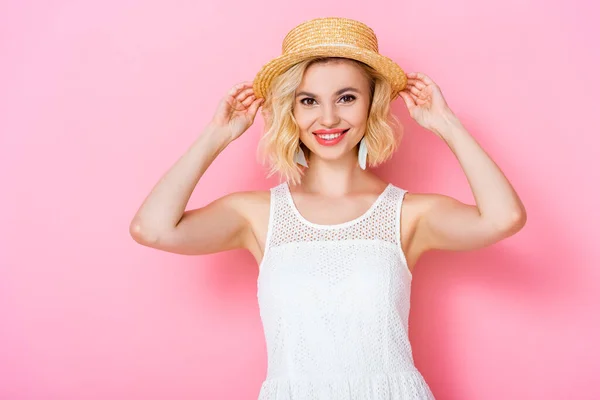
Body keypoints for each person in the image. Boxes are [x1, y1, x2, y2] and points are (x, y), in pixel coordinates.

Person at [129, 17, 526, 400]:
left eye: (347, 98)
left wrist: (447, 124)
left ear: (372, 104)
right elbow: (153, 229)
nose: (329, 117)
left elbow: (503, 218)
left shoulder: (407, 214)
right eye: (309, 101)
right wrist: (215, 136)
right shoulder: (256, 215)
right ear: (292, 110)